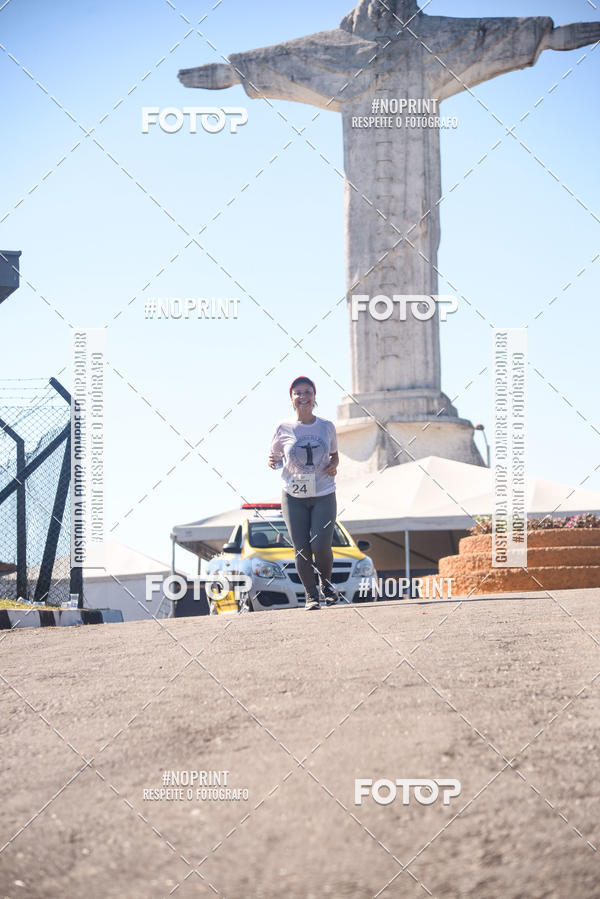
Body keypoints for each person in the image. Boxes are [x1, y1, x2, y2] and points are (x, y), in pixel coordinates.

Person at [268, 377, 340, 610]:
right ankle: (311, 595)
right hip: (293, 495)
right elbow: (274, 457)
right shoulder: (283, 427)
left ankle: (327, 585)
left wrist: (333, 465)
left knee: (320, 545)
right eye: (298, 393)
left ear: (314, 396)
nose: (303, 396)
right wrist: (272, 461)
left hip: (323, 493)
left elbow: (334, 455)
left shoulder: (326, 426)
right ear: (291, 398)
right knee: (301, 548)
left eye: (307, 392)